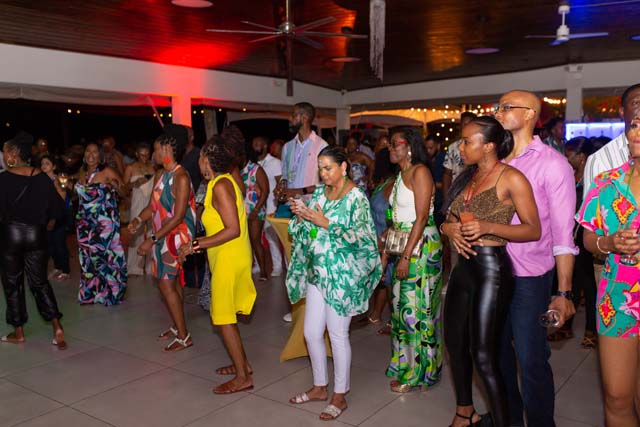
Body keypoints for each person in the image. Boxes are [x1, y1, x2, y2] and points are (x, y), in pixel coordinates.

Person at [441, 116, 540, 427]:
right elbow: (448, 218)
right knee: (454, 343)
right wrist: (447, 229)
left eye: (467, 142)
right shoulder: (467, 177)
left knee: (483, 355)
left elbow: (533, 229)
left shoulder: (511, 178)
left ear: (489, 146)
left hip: (491, 269)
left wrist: (488, 226)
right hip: (464, 268)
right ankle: (465, 412)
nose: (461, 147)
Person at [494, 90, 577, 427]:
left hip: (530, 277)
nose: (498, 113)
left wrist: (564, 292)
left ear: (529, 114)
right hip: (492, 274)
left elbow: (563, 235)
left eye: (505, 107)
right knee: (497, 356)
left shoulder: (552, 164)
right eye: (497, 107)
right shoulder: (493, 159)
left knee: (531, 362)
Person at [286, 146, 381, 421]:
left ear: (344, 167)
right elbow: (309, 229)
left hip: (343, 276)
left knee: (337, 334)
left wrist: (326, 223)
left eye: (328, 168)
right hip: (318, 272)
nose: (323, 173)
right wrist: (302, 215)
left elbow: (364, 240)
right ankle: (319, 387)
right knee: (311, 333)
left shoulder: (356, 198)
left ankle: (340, 394)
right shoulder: (319, 193)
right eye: (320, 168)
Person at [576, 87, 640, 426]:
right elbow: (587, 238)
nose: (638, 130)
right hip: (617, 295)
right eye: (635, 124)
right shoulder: (607, 183)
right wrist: (611, 242)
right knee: (617, 395)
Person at [180, 136, 256, 394]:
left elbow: (233, 229)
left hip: (229, 258)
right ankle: (242, 364)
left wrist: (196, 244)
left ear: (207, 160)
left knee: (222, 318)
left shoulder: (221, 185)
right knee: (226, 315)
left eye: (201, 155)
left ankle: (243, 377)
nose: (198, 160)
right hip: (226, 256)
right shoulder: (218, 183)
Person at [383, 127, 443, 392]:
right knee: (401, 308)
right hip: (405, 244)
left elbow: (421, 218)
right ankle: (405, 364)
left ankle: (417, 373)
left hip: (421, 247)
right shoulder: (400, 174)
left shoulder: (420, 172)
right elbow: (399, 219)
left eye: (395, 143)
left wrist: (406, 256)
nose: (390, 148)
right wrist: (387, 250)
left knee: (417, 310)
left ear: (409, 146)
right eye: (389, 144)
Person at [129, 133, 196, 352]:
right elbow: (153, 206)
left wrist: (151, 240)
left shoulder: (181, 177)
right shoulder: (161, 174)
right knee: (172, 283)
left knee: (166, 284)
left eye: (156, 149)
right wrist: (138, 220)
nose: (153, 154)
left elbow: (178, 217)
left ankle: (184, 337)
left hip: (177, 235)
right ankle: (178, 326)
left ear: (167, 149)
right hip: (162, 234)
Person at [0, 133, 67, 349]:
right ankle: (57, 328)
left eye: (5, 152)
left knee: (12, 284)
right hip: (36, 236)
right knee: (39, 282)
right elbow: (58, 209)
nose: (3, 156)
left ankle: (18, 332)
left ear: (13, 153)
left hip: (11, 236)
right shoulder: (41, 177)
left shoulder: (3, 179)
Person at [275, 102, 328, 322]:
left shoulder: (321, 146)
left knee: (309, 260)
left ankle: (313, 310)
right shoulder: (287, 147)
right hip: (290, 209)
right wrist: (281, 188)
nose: (290, 119)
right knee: (291, 261)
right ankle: (297, 309)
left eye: (293, 115)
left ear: (304, 118)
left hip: (310, 211)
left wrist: (299, 191)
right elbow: (285, 176)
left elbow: (326, 183)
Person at [547, 137, 598, 349]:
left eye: (570, 154)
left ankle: (591, 330)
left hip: (585, 235)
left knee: (588, 284)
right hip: (567, 234)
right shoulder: (568, 175)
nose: (566, 158)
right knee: (570, 282)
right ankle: (566, 326)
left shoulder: (592, 177)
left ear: (582, 156)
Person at [76, 143, 127, 306]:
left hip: (104, 223)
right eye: (88, 151)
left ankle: (112, 292)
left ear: (100, 156)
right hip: (84, 222)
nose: (91, 155)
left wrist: (116, 187)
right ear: (84, 154)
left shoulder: (107, 171)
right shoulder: (82, 172)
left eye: (95, 152)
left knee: (104, 257)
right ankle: (91, 293)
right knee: (88, 257)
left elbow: (125, 192)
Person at [365, 147, 397, 330]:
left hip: (386, 239)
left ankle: (395, 321)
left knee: (388, 280)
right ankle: (376, 314)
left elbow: (396, 219)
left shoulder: (394, 185)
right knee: (383, 280)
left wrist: (383, 239)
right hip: (378, 237)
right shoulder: (384, 183)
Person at [253, 136, 283, 277]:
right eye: (253, 144)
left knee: (272, 237)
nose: (255, 146)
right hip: (255, 206)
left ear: (265, 146)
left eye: (258, 143)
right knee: (255, 237)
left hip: (271, 205)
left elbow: (281, 183)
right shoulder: (252, 164)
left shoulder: (275, 162)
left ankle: (277, 266)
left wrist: (279, 202)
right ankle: (258, 265)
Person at [123, 142, 155, 275]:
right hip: (137, 199)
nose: (144, 158)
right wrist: (134, 183)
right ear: (136, 154)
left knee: (153, 230)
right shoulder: (131, 167)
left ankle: (151, 267)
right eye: (142, 155)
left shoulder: (153, 166)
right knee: (136, 231)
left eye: (147, 155)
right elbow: (124, 188)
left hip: (151, 200)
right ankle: (134, 267)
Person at [40, 155, 71, 280]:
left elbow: (61, 201)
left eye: (47, 163)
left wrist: (53, 219)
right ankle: (58, 267)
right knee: (50, 245)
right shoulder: (41, 180)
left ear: (53, 166)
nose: (43, 166)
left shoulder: (58, 180)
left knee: (59, 244)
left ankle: (66, 271)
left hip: (58, 216)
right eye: (42, 163)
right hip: (46, 216)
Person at [240, 154, 269, 280]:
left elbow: (265, 190)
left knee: (255, 240)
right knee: (246, 242)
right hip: (242, 211)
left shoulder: (256, 169)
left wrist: (256, 210)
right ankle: (250, 268)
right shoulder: (237, 171)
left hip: (256, 210)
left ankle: (263, 271)